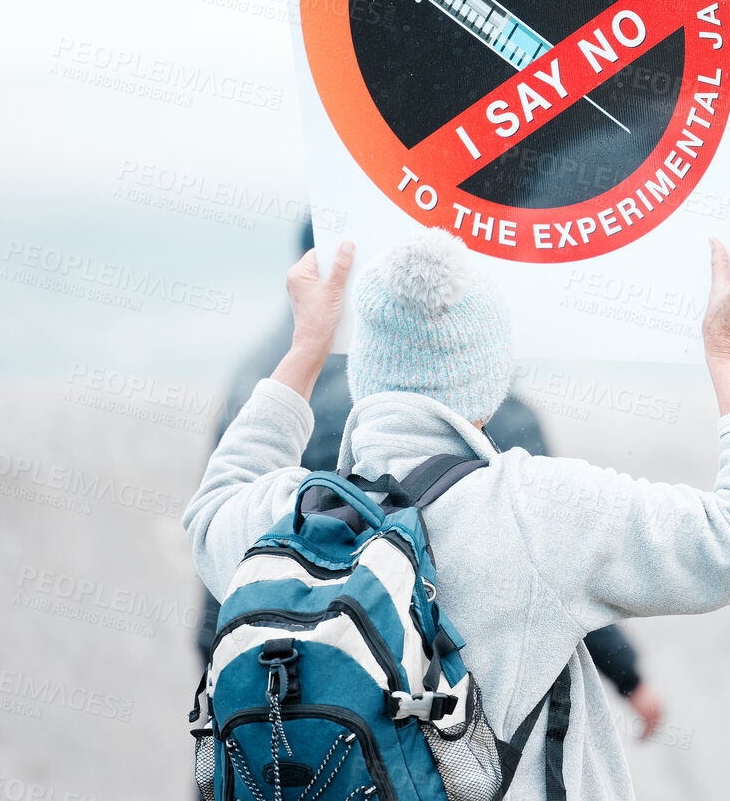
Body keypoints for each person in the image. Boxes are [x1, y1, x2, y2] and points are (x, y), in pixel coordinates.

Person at [183, 214, 730, 800]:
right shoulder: (537, 508)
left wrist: (306, 345)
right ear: (489, 382)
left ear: (362, 370)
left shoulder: (281, 516)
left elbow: (212, 503)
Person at [193, 224, 663, 735]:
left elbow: (225, 501)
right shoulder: (492, 408)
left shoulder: (264, 377)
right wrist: (629, 678)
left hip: (265, 670)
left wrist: (306, 345)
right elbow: (558, 559)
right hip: (444, 727)